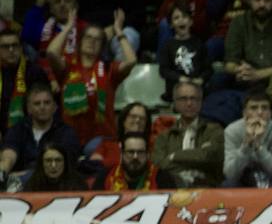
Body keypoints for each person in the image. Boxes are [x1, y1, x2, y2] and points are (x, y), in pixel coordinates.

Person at [44, 13, 135, 148]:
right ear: (80, 41)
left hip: (101, 140)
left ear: (102, 46)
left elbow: (131, 61)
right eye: (88, 37)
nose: (92, 41)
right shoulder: (68, 66)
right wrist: (69, 27)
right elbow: (51, 52)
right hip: (70, 139)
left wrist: (118, 32)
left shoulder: (108, 68)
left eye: (97, 39)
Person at [0, 85, 82, 186]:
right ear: (29, 108)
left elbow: (62, 164)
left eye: (47, 103)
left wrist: (23, 176)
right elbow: (9, 154)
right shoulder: (18, 129)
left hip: (55, 184)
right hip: (18, 183)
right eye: (37, 104)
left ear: (54, 107)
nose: (42, 107)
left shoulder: (66, 132)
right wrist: (3, 171)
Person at [152, 80, 225, 189]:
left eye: (194, 98)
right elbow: (159, 164)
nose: (189, 103)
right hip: (174, 190)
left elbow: (210, 157)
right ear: (175, 102)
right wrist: (197, 157)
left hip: (208, 189)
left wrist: (174, 156)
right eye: (183, 99)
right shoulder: (165, 136)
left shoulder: (214, 130)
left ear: (201, 102)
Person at [222, 89, 272, 187]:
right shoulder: (232, 131)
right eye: (254, 108)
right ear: (244, 113)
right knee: (228, 185)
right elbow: (230, 174)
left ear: (270, 113)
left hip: (271, 178)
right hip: (244, 178)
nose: (259, 112)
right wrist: (246, 145)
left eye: (264, 108)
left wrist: (259, 147)